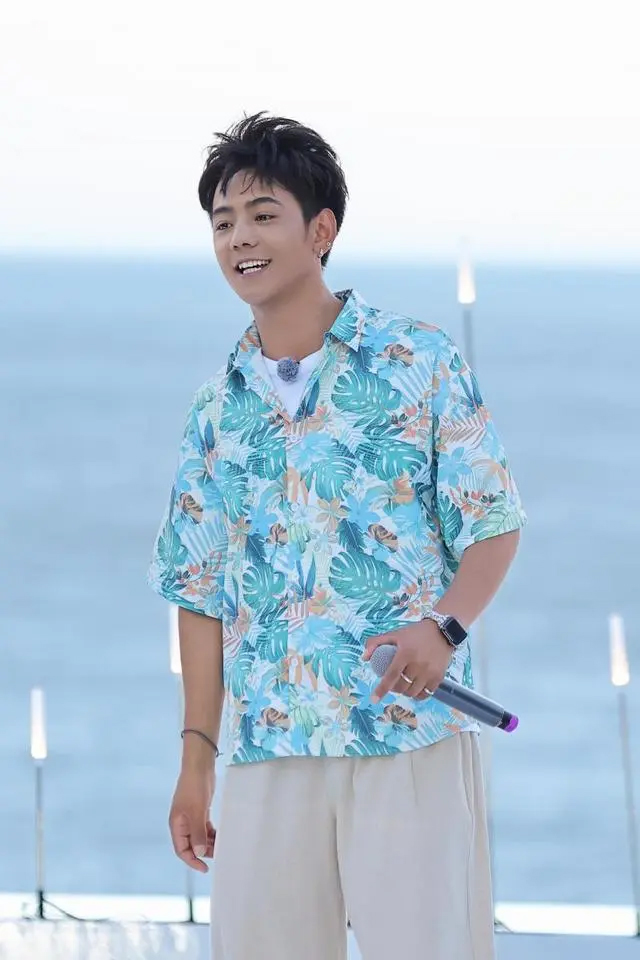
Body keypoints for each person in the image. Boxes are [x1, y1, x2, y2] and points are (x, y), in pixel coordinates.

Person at [147, 111, 527, 960]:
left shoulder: (417, 360)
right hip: (268, 747)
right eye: (223, 222)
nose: (239, 238)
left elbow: (494, 523)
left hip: (406, 737)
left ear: (321, 231)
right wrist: (196, 761)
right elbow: (197, 594)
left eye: (262, 215)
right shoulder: (216, 409)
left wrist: (444, 629)